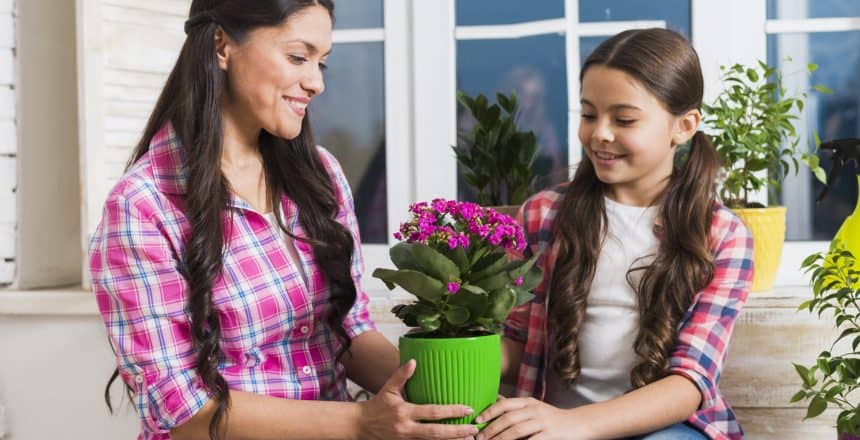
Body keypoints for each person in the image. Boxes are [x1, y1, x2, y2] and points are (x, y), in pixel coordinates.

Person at [88, 1, 478, 439]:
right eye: (298, 57)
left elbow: (349, 330)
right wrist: (363, 422)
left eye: (322, 63)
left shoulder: (321, 175)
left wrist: (453, 402)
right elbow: (180, 409)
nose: (315, 82)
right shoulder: (143, 205)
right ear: (221, 45)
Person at [475, 28, 754, 440]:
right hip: (552, 424)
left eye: (624, 119)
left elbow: (690, 382)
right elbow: (518, 340)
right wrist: (450, 348)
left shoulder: (721, 234)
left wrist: (572, 425)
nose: (600, 133)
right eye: (589, 115)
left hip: (668, 428)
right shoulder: (542, 215)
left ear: (684, 125)